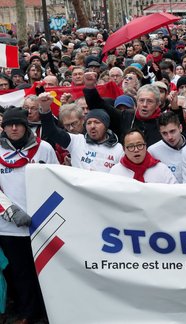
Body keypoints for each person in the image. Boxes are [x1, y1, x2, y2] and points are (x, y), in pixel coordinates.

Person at [0, 108, 58, 323]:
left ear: (26, 125)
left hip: (42, 225)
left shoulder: (44, 149)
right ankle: (28, 313)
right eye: (9, 124)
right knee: (20, 273)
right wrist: (10, 211)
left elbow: (57, 180)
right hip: (9, 227)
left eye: (18, 124)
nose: (14, 128)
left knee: (46, 272)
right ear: (4, 127)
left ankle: (50, 312)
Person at [38, 92, 123, 172]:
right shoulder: (76, 141)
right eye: (89, 123)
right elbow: (51, 131)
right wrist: (45, 109)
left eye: (97, 122)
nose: (92, 126)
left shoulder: (118, 149)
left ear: (106, 125)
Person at [109, 128, 177, 184]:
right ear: (124, 149)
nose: (136, 150)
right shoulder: (115, 172)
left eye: (139, 145)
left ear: (145, 146)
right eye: (131, 146)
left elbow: (175, 192)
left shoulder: (161, 169)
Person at [148, 111, 186, 183]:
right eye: (164, 133)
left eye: (172, 131)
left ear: (180, 128)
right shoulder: (153, 151)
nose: (169, 137)